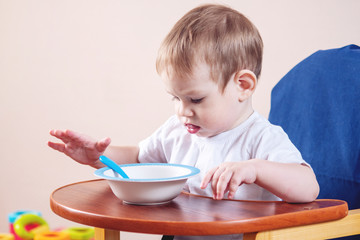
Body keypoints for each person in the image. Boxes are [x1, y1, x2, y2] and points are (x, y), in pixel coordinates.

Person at [48, 4, 319, 240]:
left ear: (243, 86)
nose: (182, 111)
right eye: (175, 98)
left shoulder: (261, 138)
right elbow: (139, 159)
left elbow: (308, 187)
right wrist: (99, 156)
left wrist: (256, 169)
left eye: (196, 100)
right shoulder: (178, 131)